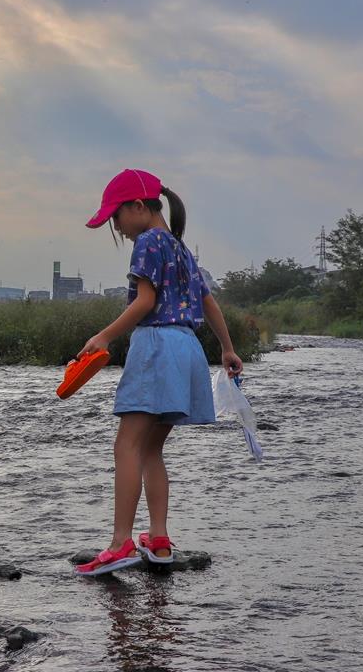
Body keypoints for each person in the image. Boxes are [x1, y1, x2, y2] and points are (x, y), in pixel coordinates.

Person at [73, 169, 244, 576]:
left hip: (158, 345)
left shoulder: (148, 242)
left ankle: (120, 544)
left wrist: (104, 337)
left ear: (138, 206)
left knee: (126, 446)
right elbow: (209, 303)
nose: (116, 226)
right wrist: (227, 348)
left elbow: (145, 301)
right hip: (188, 349)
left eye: (116, 216)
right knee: (150, 449)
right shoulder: (181, 249)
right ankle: (160, 538)